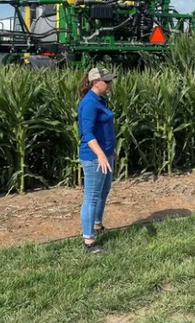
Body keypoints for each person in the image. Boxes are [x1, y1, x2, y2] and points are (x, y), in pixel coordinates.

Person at [77, 66, 117, 253]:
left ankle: (97, 225)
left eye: (110, 80)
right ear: (95, 82)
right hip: (94, 157)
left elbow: (104, 129)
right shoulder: (89, 103)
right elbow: (87, 133)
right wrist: (101, 154)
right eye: (106, 81)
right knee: (92, 196)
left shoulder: (101, 100)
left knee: (104, 191)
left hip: (105, 155)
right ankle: (89, 242)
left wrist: (111, 151)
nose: (109, 84)